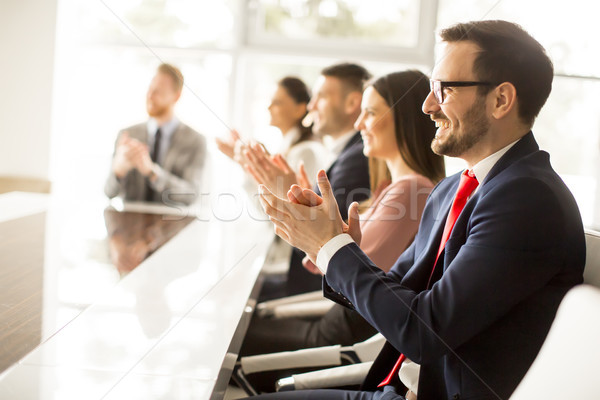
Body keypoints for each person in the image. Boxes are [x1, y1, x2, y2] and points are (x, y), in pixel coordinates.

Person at [254, 20, 585, 400]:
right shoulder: (452, 189)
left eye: (442, 89)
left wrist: (335, 251)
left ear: (500, 100)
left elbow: (425, 332)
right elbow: (395, 294)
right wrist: (333, 246)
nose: (428, 105)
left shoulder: (527, 200)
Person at [240, 70, 444, 360]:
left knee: (228, 333)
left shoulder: (412, 190)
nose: (359, 124)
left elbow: (350, 274)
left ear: (403, 120)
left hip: (340, 333)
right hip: (338, 320)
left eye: (370, 113)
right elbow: (343, 264)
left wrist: (315, 229)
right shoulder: (397, 188)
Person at [246, 63, 373, 299]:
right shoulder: (343, 153)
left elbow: (325, 235)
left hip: (313, 289)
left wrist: (287, 194)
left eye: (321, 97)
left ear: (352, 103)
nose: (311, 106)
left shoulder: (357, 158)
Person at [104, 63, 206, 206]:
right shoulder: (128, 135)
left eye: (158, 91)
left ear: (176, 96)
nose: (150, 96)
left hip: (172, 225)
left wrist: (152, 173)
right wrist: (118, 171)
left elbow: (191, 196)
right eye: (150, 89)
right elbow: (108, 192)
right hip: (129, 225)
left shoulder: (195, 141)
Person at [216, 76, 328, 188]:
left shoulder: (306, 153)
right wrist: (248, 162)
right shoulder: (289, 148)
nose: (269, 107)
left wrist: (250, 164)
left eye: (277, 102)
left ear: (299, 110)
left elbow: (279, 204)